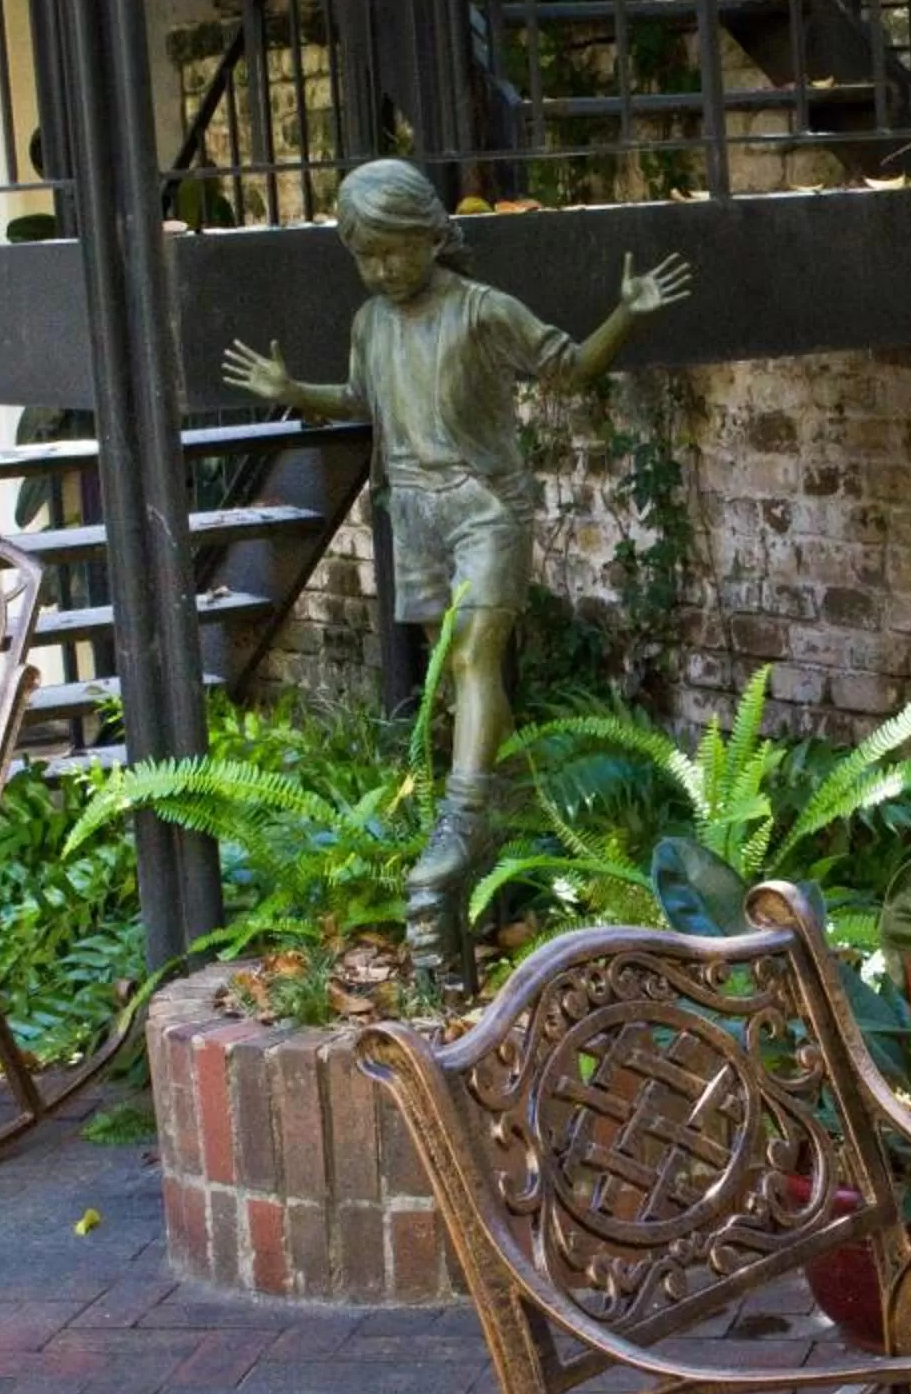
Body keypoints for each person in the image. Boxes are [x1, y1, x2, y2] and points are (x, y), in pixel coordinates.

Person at [221, 159, 692, 913]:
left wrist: (627, 313)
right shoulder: (369, 322)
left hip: (482, 505)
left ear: (434, 237)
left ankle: (461, 818)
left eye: (395, 251)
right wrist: (292, 393)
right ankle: (508, 817)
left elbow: (565, 369)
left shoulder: (481, 310)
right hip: (413, 508)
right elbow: (360, 398)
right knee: (456, 675)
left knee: (476, 654)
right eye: (366, 257)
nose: (382, 270)